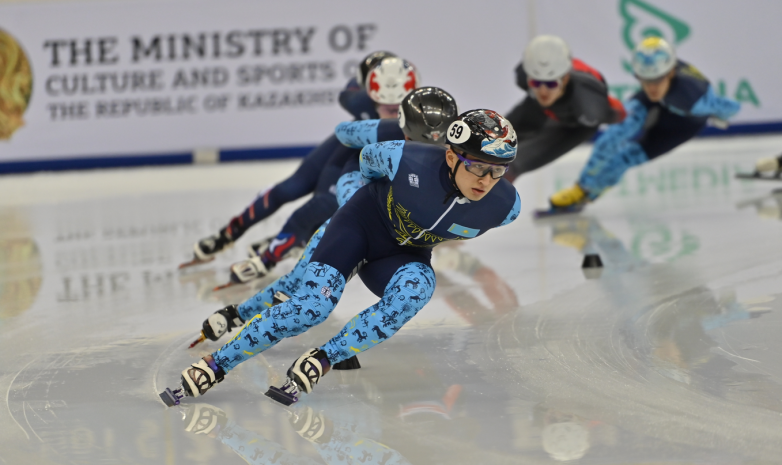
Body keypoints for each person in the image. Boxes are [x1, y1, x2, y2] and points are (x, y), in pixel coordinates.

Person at [163, 108, 521, 407]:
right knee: (309, 306)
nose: (486, 179)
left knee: (418, 289)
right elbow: (365, 160)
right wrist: (359, 201)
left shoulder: (506, 208)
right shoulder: (404, 157)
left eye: (497, 169)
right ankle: (219, 361)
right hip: (358, 227)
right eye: (477, 166)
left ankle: (322, 358)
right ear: (450, 155)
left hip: (400, 255)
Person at [180, 53, 418, 268]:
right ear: (368, 88)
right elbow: (346, 98)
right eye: (383, 101)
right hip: (350, 146)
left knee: (324, 204)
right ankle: (228, 235)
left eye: (396, 103)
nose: (390, 106)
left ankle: (288, 240)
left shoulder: (402, 103)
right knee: (289, 188)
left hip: (370, 152)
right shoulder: (358, 99)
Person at [542, 37, 741, 215]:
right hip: (657, 103)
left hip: (683, 124)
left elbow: (731, 107)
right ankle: (580, 188)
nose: (651, 87)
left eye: (656, 80)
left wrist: (719, 115)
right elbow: (651, 90)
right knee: (612, 135)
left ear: (671, 72)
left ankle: (588, 193)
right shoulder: (656, 84)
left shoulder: (694, 97)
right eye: (644, 80)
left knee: (625, 158)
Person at [504, 35, 625, 182]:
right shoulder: (523, 76)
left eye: (550, 84)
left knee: (510, 166)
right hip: (540, 108)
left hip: (577, 126)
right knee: (489, 142)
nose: (543, 91)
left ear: (565, 79)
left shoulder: (590, 103)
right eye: (536, 83)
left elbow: (622, 114)